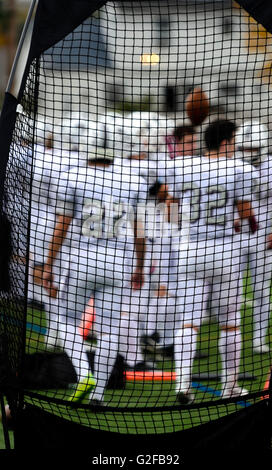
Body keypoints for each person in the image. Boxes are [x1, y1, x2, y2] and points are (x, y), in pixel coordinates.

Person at [42, 145, 148, 405]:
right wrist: (139, 267)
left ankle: (83, 373)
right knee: (110, 330)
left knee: (65, 320)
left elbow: (62, 226)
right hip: (116, 261)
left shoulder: (72, 176)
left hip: (82, 257)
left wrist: (48, 264)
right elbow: (140, 232)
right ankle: (98, 394)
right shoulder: (133, 181)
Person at [162, 119, 256, 404]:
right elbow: (247, 213)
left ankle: (182, 384)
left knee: (188, 323)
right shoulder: (239, 169)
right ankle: (229, 386)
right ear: (226, 141)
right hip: (225, 252)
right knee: (230, 323)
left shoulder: (182, 166)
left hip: (190, 250)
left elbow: (170, 211)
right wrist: (242, 222)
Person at [235, 120, 272, 354]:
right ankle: (233, 335)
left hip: (263, 237)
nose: (248, 154)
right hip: (236, 238)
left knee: (261, 290)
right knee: (231, 293)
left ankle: (259, 337)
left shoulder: (271, 166)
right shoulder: (231, 166)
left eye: (253, 149)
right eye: (245, 149)